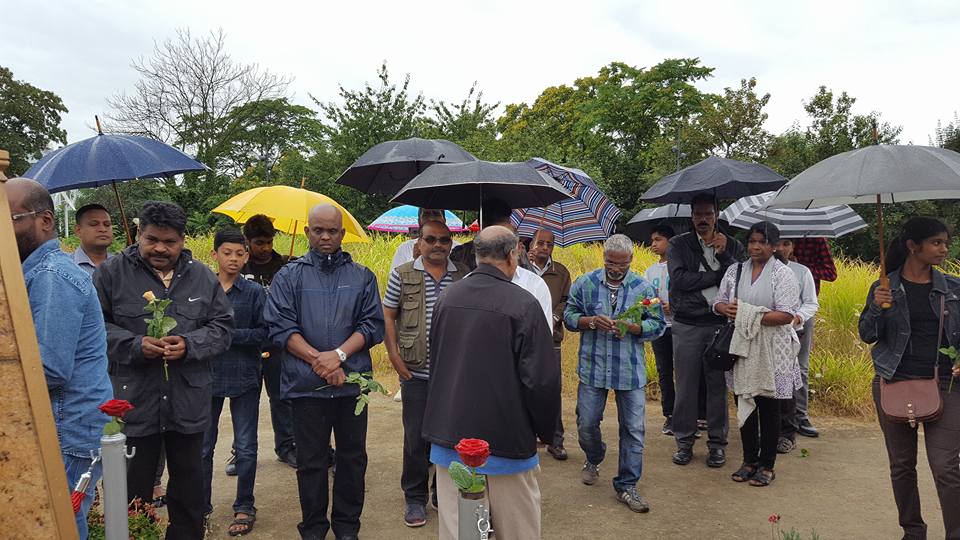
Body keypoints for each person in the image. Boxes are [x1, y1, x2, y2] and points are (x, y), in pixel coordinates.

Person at [94, 201, 233, 539]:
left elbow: (222, 328)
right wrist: (134, 345)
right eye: (152, 239)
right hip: (134, 403)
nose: (160, 248)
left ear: (183, 240)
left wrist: (189, 344)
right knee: (131, 492)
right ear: (138, 234)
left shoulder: (202, 277)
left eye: (169, 242)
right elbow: (94, 328)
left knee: (189, 489)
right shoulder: (111, 274)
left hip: (188, 401)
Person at [424, 225, 560, 540]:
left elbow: (439, 361)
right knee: (516, 530)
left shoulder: (447, 298)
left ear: (477, 256)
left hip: (451, 437)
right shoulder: (524, 305)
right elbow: (541, 381)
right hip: (506, 441)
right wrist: (545, 430)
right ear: (513, 255)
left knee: (466, 532)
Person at [263, 204, 384, 540]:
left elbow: (372, 325)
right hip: (307, 386)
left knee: (352, 459)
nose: (326, 237)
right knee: (311, 462)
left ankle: (347, 528)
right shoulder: (288, 276)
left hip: (351, 385)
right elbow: (280, 326)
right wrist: (321, 360)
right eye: (319, 230)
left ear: (342, 234)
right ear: (307, 232)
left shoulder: (362, 277)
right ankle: (313, 528)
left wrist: (340, 355)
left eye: (332, 231)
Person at [8, 178, 113, 539]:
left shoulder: (52, 277)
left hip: (68, 425)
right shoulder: (37, 273)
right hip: (66, 421)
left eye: (11, 219)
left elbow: (48, 368)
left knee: (61, 521)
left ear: (45, 221)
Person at [858, 216, 960, 540]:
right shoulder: (884, 287)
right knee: (901, 466)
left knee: (946, 467)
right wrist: (878, 307)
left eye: (945, 243)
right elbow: (867, 334)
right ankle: (913, 532)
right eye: (936, 243)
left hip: (945, 383)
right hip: (894, 382)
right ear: (912, 246)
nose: (944, 249)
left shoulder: (953, 288)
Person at [565, 234, 666, 513]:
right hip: (593, 368)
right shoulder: (585, 283)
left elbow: (658, 324)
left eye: (622, 264)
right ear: (604, 258)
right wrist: (589, 321)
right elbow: (569, 316)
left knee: (633, 429)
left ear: (631, 260)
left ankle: (627, 485)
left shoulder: (643, 288)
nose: (616, 269)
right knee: (586, 423)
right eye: (611, 262)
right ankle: (594, 456)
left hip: (628, 371)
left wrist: (635, 328)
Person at [382, 220, 468, 527]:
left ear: (451, 244)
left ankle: (440, 492)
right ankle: (414, 496)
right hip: (415, 373)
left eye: (444, 240)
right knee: (415, 438)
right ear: (419, 241)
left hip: (452, 375)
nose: (438, 245)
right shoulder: (403, 273)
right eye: (431, 239)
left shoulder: (462, 275)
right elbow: (388, 315)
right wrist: (394, 356)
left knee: (449, 437)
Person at [714, 222, 800, 488]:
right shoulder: (735, 270)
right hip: (742, 347)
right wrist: (725, 309)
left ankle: (767, 465)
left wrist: (746, 313)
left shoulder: (783, 274)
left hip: (773, 348)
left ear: (774, 246)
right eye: (752, 241)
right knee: (744, 402)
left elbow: (786, 315)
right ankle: (749, 461)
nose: (756, 247)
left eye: (762, 242)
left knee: (769, 408)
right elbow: (718, 302)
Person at [667, 193, 746, 468]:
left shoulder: (733, 244)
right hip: (687, 323)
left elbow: (740, 279)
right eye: (698, 214)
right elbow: (679, 279)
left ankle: (717, 444)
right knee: (685, 387)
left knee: (717, 387)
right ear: (691, 217)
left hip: (719, 325)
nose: (703, 219)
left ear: (717, 215)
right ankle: (684, 442)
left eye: (708, 214)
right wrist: (716, 275)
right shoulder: (679, 244)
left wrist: (725, 256)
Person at [201, 229, 267, 536]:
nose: (233, 259)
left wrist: (228, 336)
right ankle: (201, 506)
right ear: (214, 254)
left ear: (246, 256)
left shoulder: (254, 293)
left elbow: (266, 333)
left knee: (246, 446)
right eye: (227, 253)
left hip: (245, 376)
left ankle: (245, 506)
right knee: (203, 447)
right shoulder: (202, 290)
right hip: (206, 377)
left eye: (240, 254)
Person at [239, 214, 297, 471]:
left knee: (282, 398)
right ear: (247, 241)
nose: (265, 248)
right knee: (245, 402)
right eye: (259, 243)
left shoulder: (286, 266)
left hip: (277, 344)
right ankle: (241, 453)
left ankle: (286, 447)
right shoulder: (239, 267)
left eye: (269, 242)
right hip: (246, 345)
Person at [528, 228, 572, 460]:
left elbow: (567, 300)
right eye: (540, 243)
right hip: (524, 338)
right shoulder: (520, 268)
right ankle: (526, 438)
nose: (545, 248)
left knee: (551, 389)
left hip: (551, 339)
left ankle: (555, 440)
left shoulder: (561, 272)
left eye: (549, 244)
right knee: (522, 388)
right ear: (531, 244)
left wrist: (554, 316)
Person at [776, 237, 820, 452]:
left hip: (798, 326)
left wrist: (798, 318)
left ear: (793, 247)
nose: (781, 248)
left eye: (786, 244)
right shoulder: (758, 271)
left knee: (799, 369)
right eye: (777, 243)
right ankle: (773, 420)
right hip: (771, 327)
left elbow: (811, 302)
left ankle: (800, 416)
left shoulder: (802, 271)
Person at [644, 224, 677, 435]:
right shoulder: (650, 271)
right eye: (652, 240)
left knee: (684, 373)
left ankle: (689, 414)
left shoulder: (680, 267)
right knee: (664, 371)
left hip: (681, 325)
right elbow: (645, 298)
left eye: (658, 239)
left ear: (670, 242)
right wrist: (654, 305)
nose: (653, 244)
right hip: (659, 327)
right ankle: (670, 415)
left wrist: (674, 306)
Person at [389, 208, 461, 272]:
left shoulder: (458, 249)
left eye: (436, 214)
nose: (431, 219)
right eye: (426, 214)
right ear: (419, 221)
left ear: (444, 220)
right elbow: (397, 278)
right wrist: (416, 261)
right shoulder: (404, 249)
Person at [72, 203, 114, 275]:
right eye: (94, 224)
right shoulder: (63, 267)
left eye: (107, 225)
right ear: (78, 230)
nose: (103, 229)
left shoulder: (124, 265)